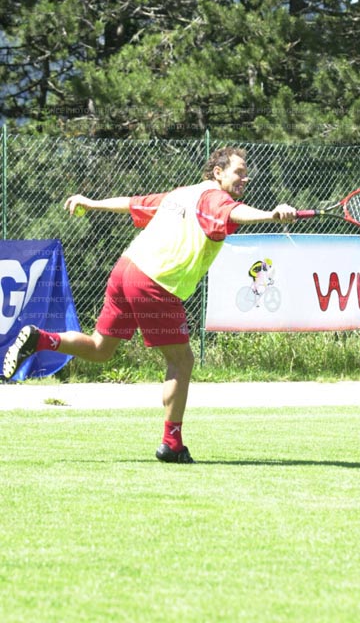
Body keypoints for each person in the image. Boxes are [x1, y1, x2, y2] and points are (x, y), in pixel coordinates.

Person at [3, 147, 296, 463]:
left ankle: (41, 339)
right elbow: (233, 213)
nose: (245, 177)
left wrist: (92, 203)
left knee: (101, 349)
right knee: (182, 360)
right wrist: (271, 214)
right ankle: (172, 443)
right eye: (239, 171)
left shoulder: (180, 194)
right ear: (217, 173)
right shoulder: (214, 198)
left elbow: (133, 203)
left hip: (125, 269)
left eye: (246, 173)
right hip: (155, 282)